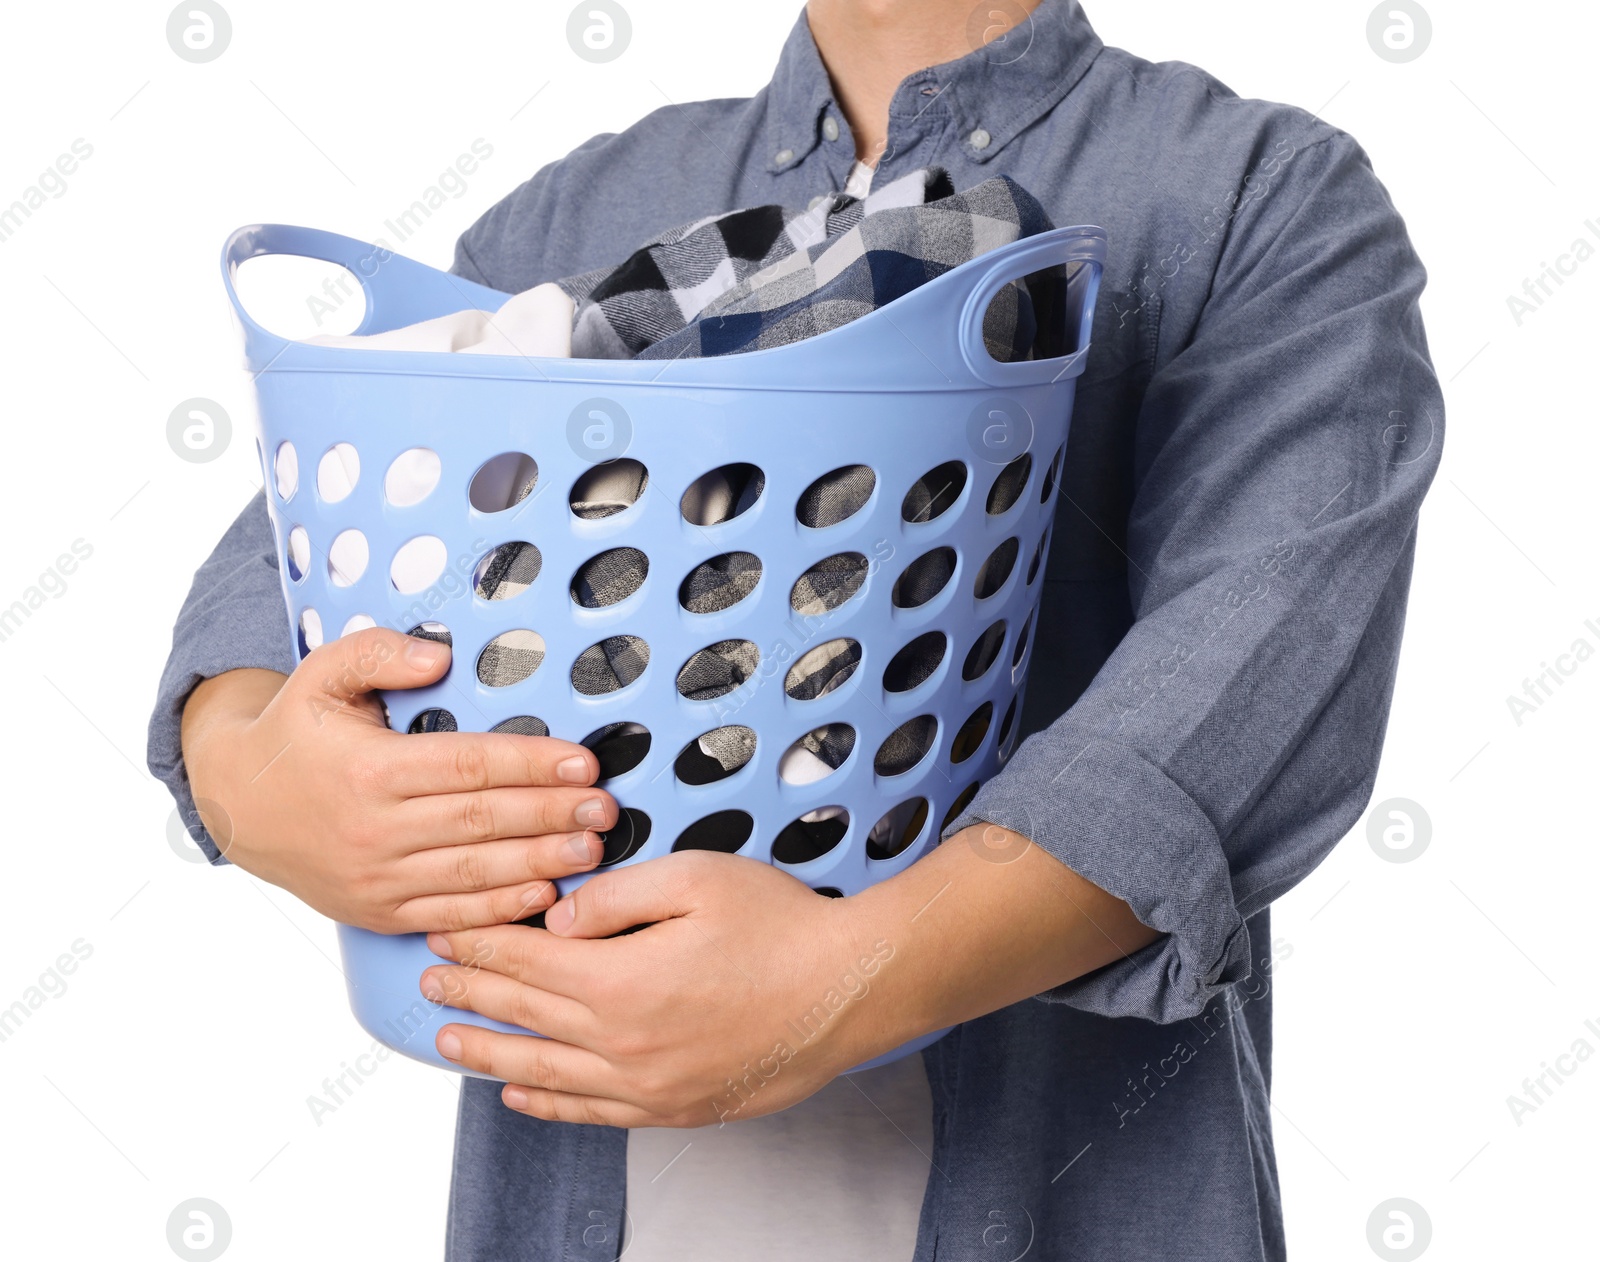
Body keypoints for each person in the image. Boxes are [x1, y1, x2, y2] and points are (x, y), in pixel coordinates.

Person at [149, 1, 1444, 1258]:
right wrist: (260, 776)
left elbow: (1241, 701)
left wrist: (848, 976)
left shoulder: (1255, 201)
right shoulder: (588, 210)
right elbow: (283, 573)